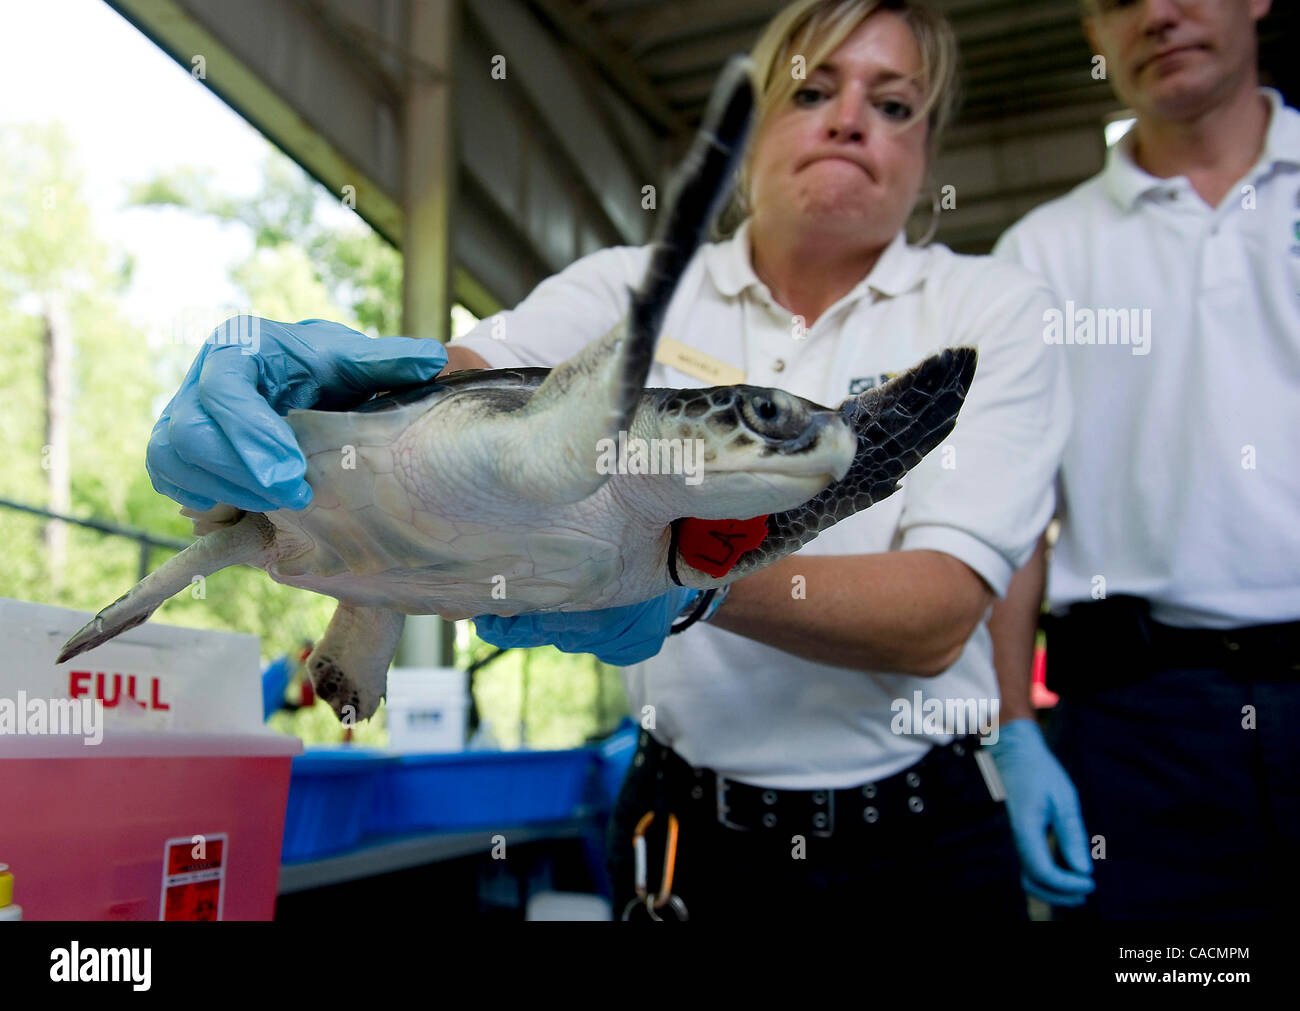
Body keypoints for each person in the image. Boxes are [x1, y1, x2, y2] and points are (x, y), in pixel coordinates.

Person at [147, 0, 1074, 919]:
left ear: (929, 147)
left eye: (894, 104)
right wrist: (306, 398)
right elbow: (462, 384)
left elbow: (937, 618)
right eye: (811, 89)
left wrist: (687, 575)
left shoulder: (990, 307)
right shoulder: (625, 288)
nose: (848, 119)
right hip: (684, 832)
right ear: (750, 137)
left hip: (922, 841)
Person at [990, 0, 1299, 921]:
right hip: (1138, 730)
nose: (1158, 14)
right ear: (1093, 32)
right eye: (1120, 0)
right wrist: (1013, 725)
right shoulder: (1038, 256)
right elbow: (1012, 518)